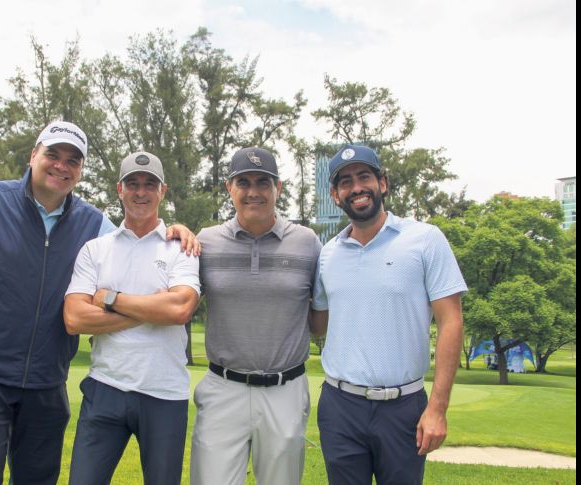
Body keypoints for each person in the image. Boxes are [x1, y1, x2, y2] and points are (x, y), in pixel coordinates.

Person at [0, 121, 198, 485]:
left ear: (80, 171)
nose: (61, 166)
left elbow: (139, 232)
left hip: (46, 382)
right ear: (34, 155)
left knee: (37, 478)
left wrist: (175, 230)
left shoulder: (92, 223)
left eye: (73, 160)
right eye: (53, 154)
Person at [310, 144, 467, 485]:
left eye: (364, 177)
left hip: (403, 407)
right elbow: (317, 323)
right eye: (345, 182)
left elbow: (451, 322)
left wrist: (437, 408)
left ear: (383, 183)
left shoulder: (425, 239)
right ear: (336, 196)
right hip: (340, 406)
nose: (356, 188)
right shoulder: (327, 254)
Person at [63, 151, 200, 485]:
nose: (141, 192)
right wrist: (152, 308)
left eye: (149, 184)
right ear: (119, 189)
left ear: (162, 190)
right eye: (133, 184)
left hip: (164, 394)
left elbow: (180, 309)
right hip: (105, 388)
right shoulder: (95, 249)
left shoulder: (182, 247)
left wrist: (110, 299)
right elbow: (74, 318)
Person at [190, 147, 323, 485]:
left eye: (263, 182)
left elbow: (322, 315)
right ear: (228, 188)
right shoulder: (205, 241)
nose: (253, 192)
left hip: (286, 390)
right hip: (223, 388)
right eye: (243, 182)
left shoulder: (308, 243)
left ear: (278, 187)